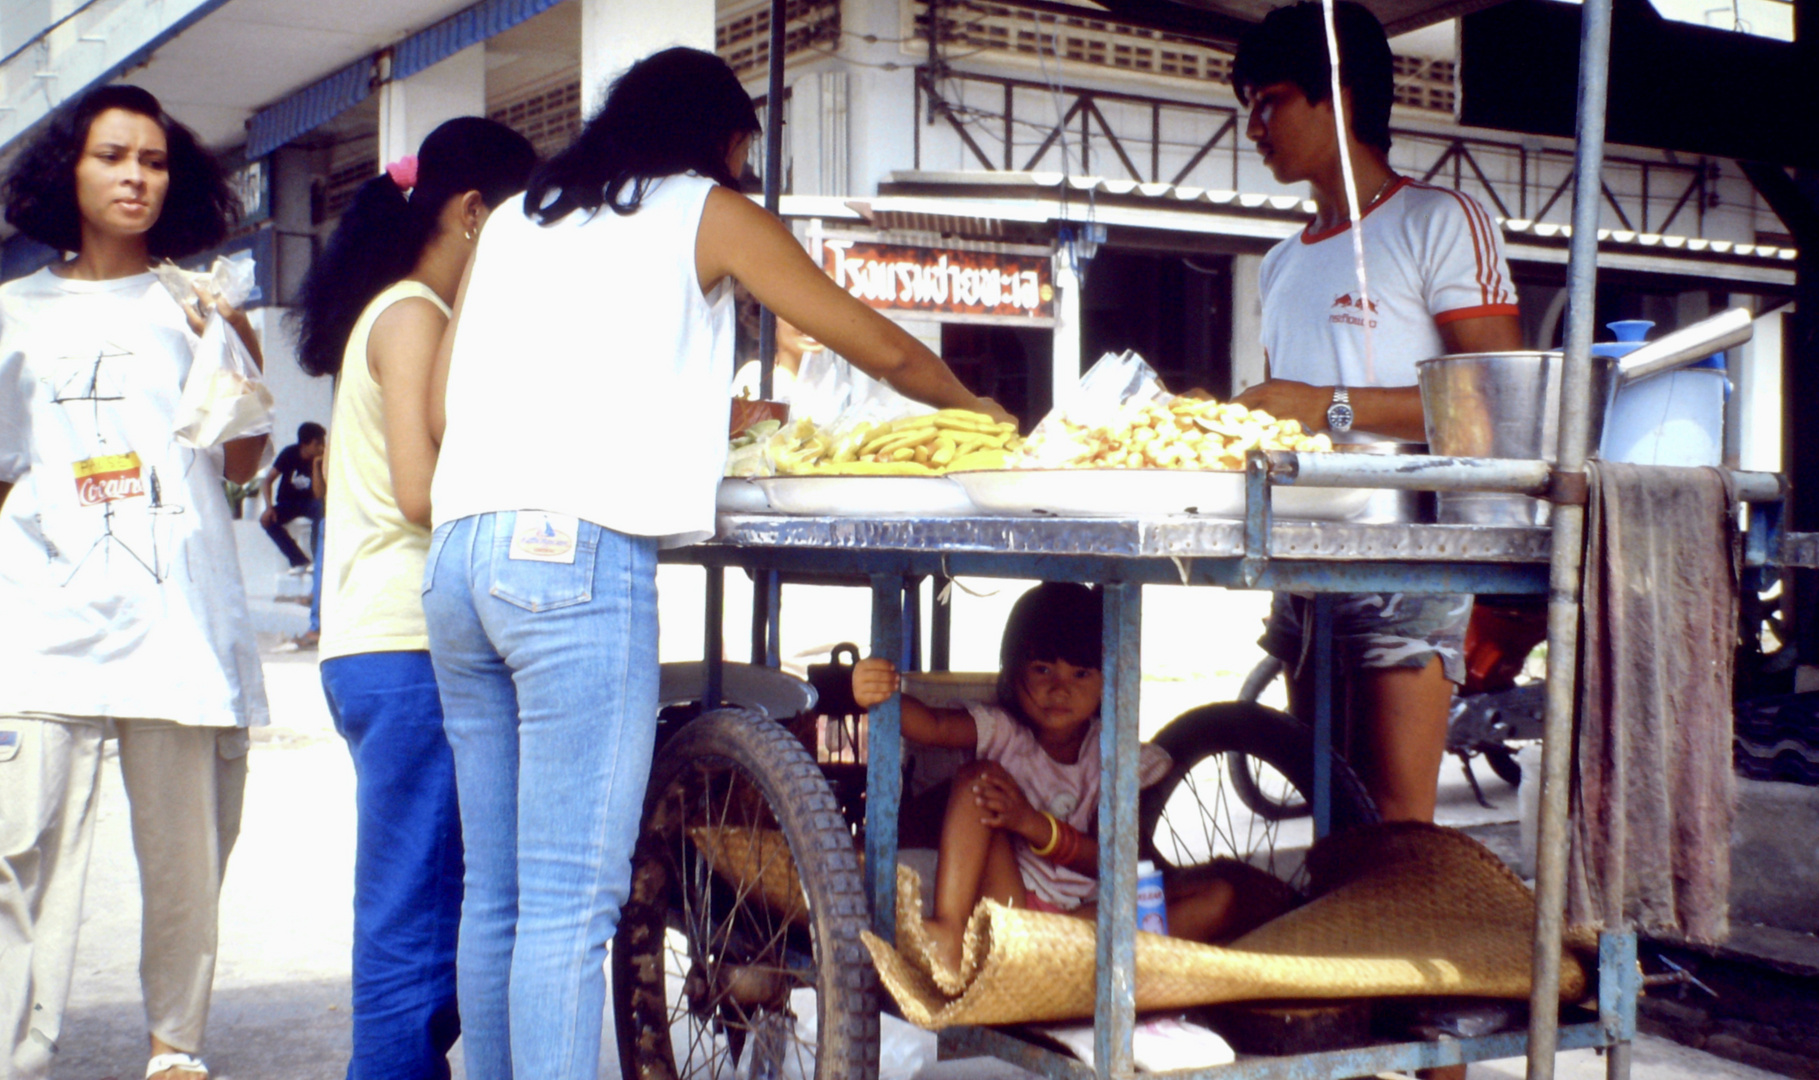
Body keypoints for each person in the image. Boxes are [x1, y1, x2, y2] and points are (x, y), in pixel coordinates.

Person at [421, 48, 1012, 1080]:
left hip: (462, 557)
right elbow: (875, 344)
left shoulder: (517, 220)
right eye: (743, 151)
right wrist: (976, 408)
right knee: (570, 901)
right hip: (572, 560)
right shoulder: (703, 208)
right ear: (722, 139)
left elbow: (440, 410)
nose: (743, 170)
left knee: (502, 894)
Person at [0, 84, 264, 1080]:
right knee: (17, 861)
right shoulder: (12, 312)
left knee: (188, 867)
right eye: (114, 156)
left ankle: (173, 1055)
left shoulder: (194, 303)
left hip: (178, 630)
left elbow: (240, 468)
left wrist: (227, 344)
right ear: (68, 170)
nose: (135, 177)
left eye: (153, 162)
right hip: (44, 632)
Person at [1231, 2, 1524, 825]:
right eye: (1246, 104)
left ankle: (1404, 952)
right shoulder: (1280, 262)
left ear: (1342, 96)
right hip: (1301, 552)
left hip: (1413, 556)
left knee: (1396, 821)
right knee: (1329, 801)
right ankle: (1335, 951)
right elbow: (1282, 421)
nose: (1254, 125)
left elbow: (1492, 408)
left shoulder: (1441, 221)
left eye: (1271, 100)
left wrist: (1321, 408)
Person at [291, 117, 536, 1080]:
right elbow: (422, 490)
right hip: (405, 650)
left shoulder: (395, 311)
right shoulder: (415, 316)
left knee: (410, 916)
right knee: (417, 929)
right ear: (475, 214)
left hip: (377, 648)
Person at [850, 583, 1243, 975]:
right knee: (978, 779)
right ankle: (951, 934)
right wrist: (878, 693)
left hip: (1081, 922)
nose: (1060, 689)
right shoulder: (1003, 732)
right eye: (1043, 669)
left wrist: (1031, 824)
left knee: (1219, 898)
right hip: (1009, 909)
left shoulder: (1113, 754)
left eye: (1081, 673)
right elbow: (932, 727)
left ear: (1106, 680)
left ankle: (1055, 960)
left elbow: (1112, 862)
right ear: (1012, 669)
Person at [259, 421, 325, 571]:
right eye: (317, 444)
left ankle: (317, 559)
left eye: (322, 443)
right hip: (288, 503)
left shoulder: (322, 460)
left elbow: (319, 494)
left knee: (320, 510)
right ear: (304, 444)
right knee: (266, 521)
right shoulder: (289, 454)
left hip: (310, 502)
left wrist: (316, 465)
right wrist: (269, 507)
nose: (321, 448)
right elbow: (267, 480)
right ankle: (298, 560)